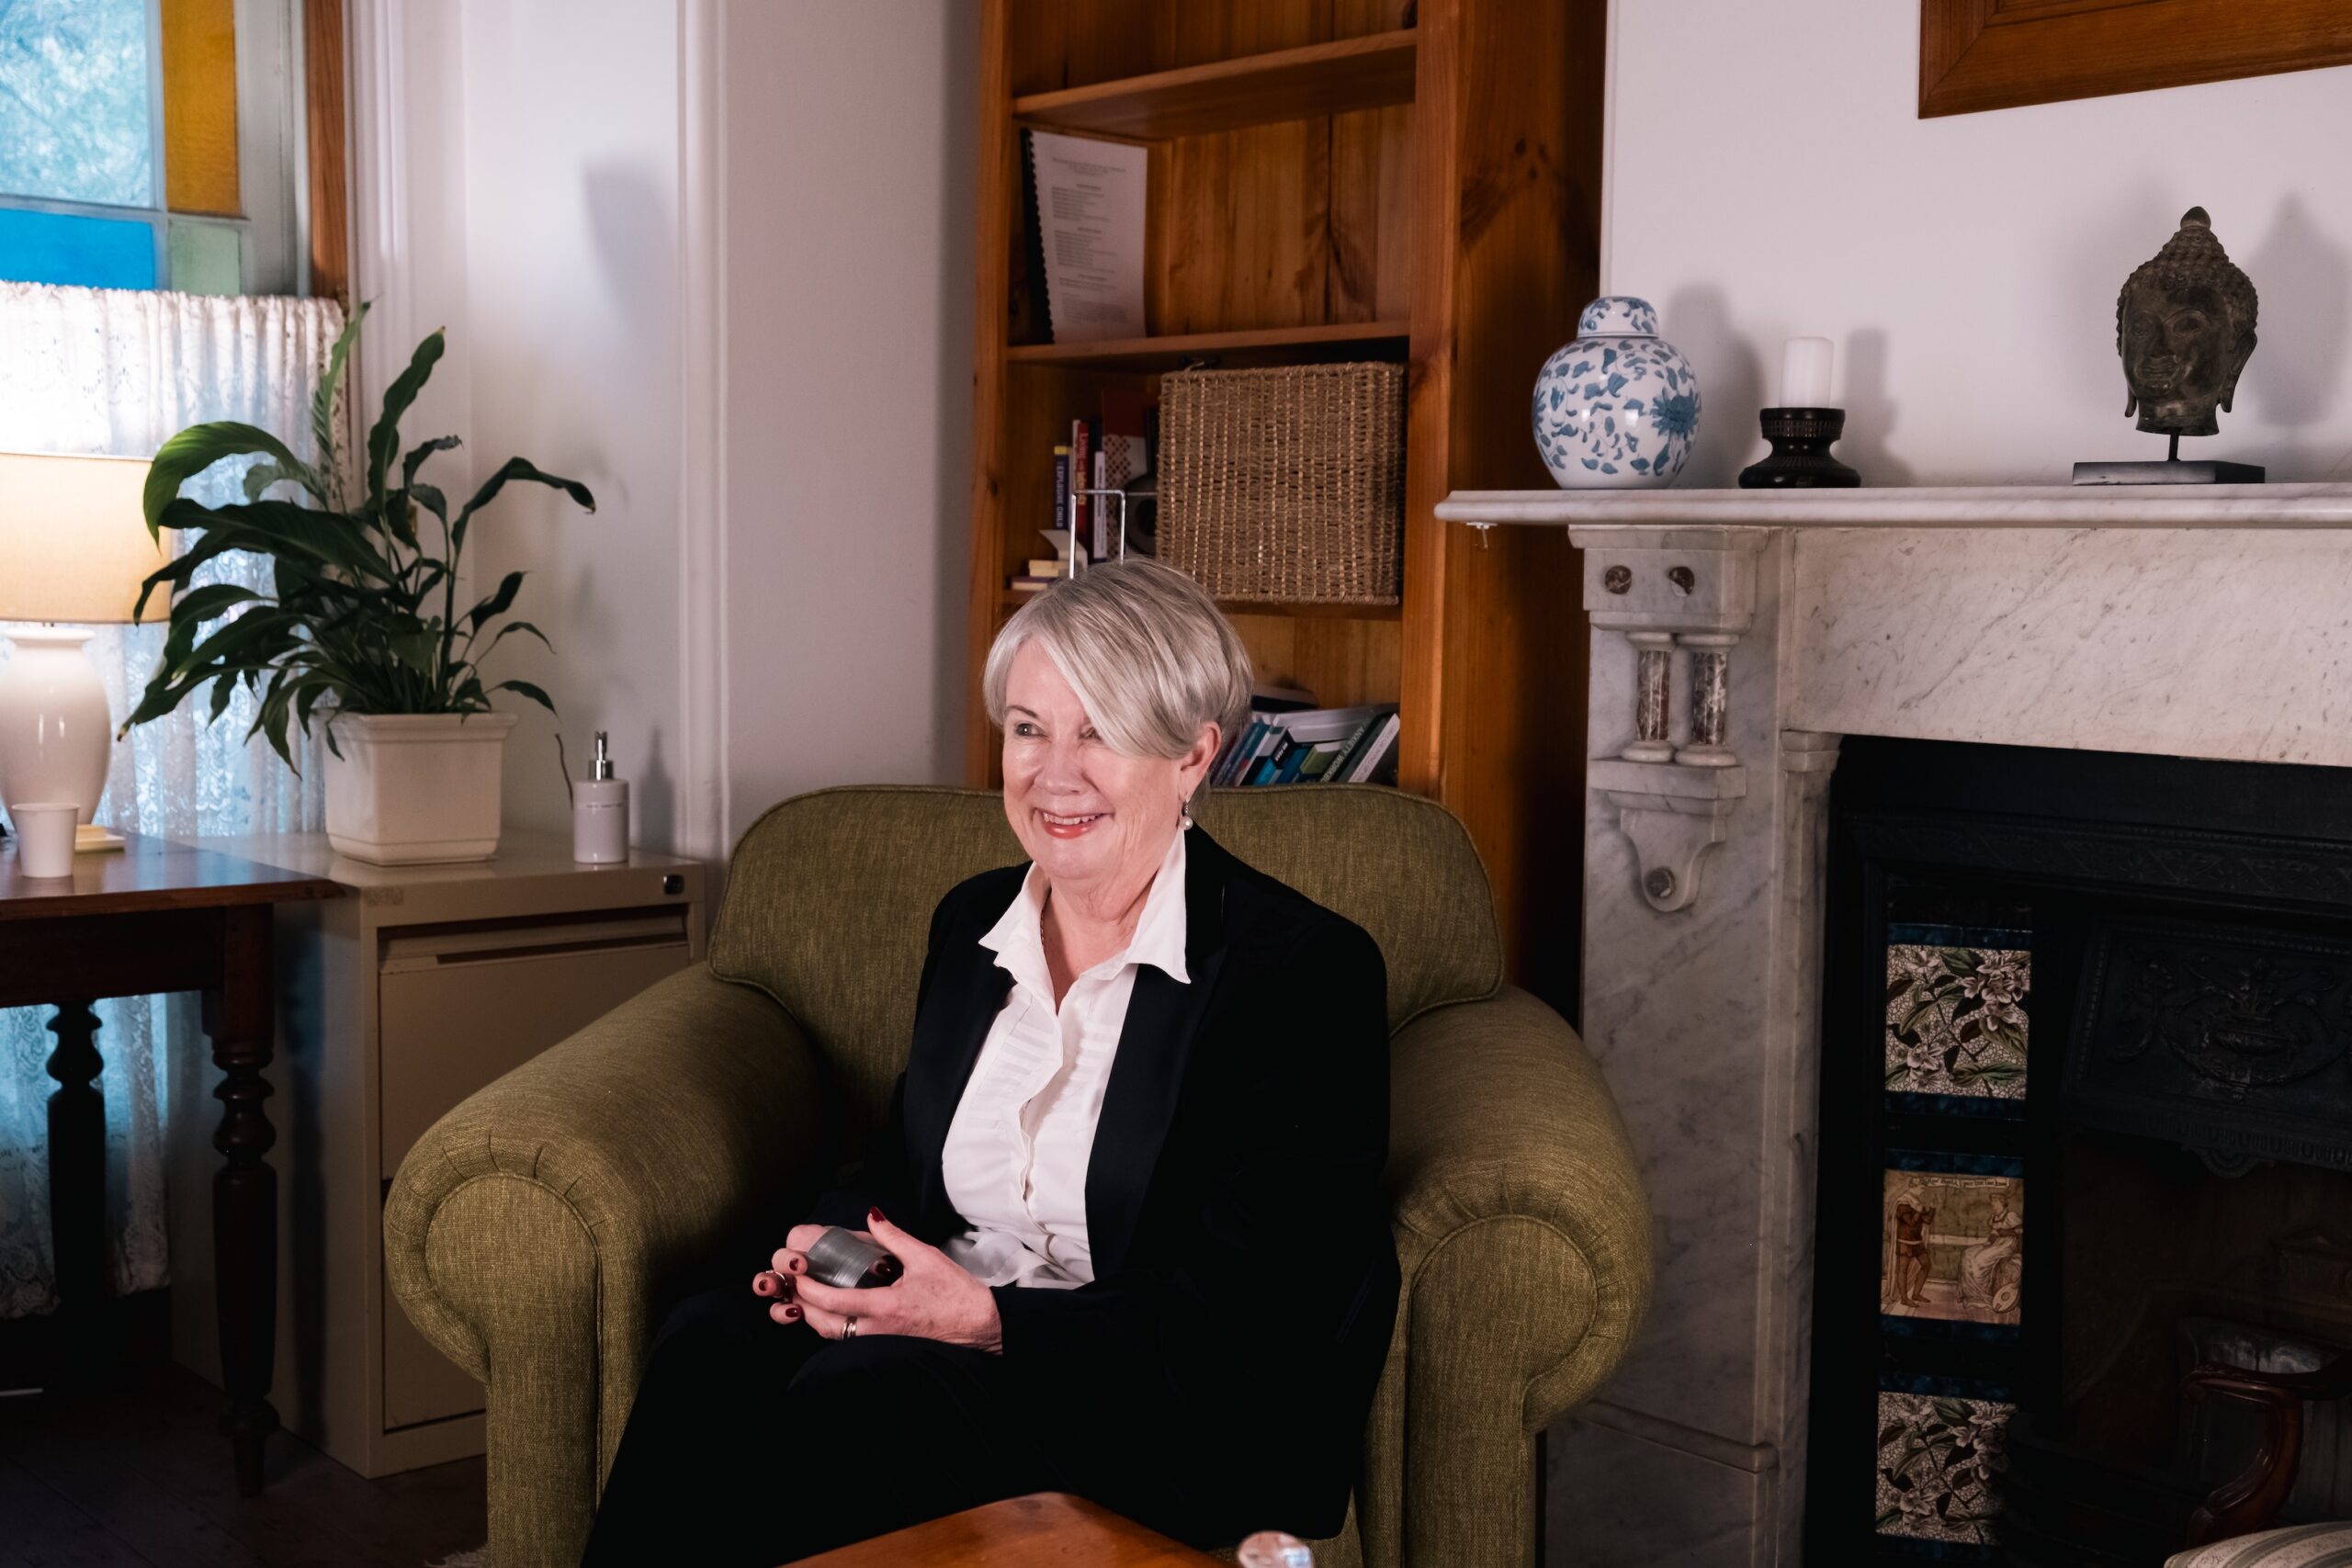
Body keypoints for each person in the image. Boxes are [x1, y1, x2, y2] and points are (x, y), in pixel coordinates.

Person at [582, 559, 1400, 1565]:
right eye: (1027, 728)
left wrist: (980, 1319)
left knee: (861, 1397)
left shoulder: (1300, 972)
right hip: (949, 1329)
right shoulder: (974, 922)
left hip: (1168, 1402)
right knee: (711, 1344)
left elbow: (1245, 1319)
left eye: (1098, 731)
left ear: (1193, 755)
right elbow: (903, 1164)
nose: (1054, 775)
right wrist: (833, 1259)